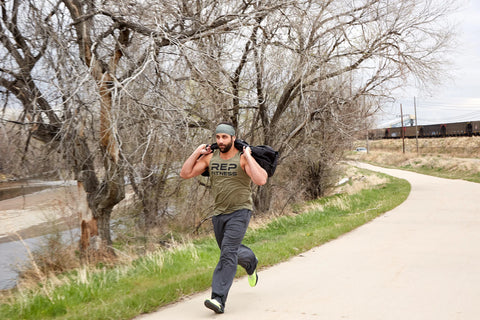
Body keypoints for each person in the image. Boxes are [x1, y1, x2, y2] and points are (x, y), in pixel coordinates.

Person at [180, 122, 268, 314]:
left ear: (233, 138)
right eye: (218, 137)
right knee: (231, 252)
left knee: (227, 254)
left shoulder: (242, 159)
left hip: (240, 212)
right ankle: (250, 261)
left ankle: (218, 299)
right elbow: (185, 173)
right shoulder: (210, 157)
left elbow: (261, 180)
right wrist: (196, 152)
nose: (220, 141)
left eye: (224, 137)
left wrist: (249, 157)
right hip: (219, 214)